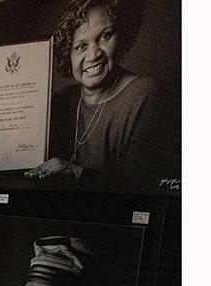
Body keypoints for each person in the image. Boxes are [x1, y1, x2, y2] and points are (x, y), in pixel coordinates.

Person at [23, 0, 164, 193]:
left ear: (122, 35)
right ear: (68, 54)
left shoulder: (145, 94)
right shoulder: (60, 102)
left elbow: (142, 191)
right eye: (81, 46)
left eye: (105, 36)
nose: (94, 54)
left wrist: (76, 173)